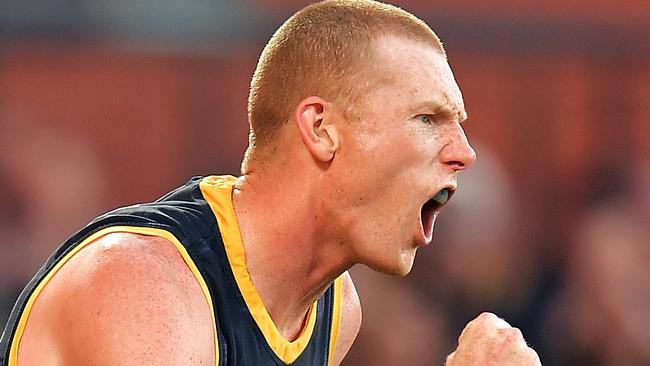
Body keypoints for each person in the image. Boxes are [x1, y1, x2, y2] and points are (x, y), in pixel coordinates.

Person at [0, 1, 541, 365]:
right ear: (322, 129)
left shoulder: (332, 309)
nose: (464, 152)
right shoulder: (141, 285)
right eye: (428, 119)